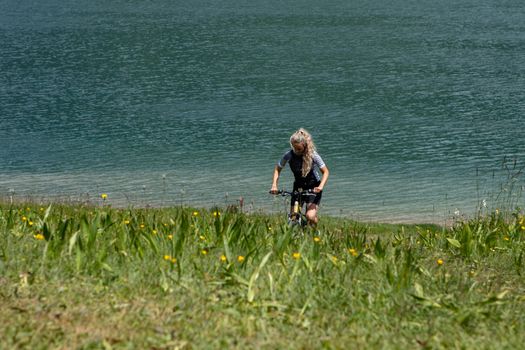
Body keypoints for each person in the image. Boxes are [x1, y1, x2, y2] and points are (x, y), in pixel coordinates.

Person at [270, 128, 329, 226]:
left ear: (305, 146)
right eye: (294, 148)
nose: (296, 151)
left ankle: (314, 230)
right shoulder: (288, 155)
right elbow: (277, 169)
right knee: (293, 217)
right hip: (298, 186)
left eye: (299, 149)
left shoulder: (313, 155)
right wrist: (274, 185)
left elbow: (326, 172)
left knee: (310, 216)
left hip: (314, 187)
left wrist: (320, 187)